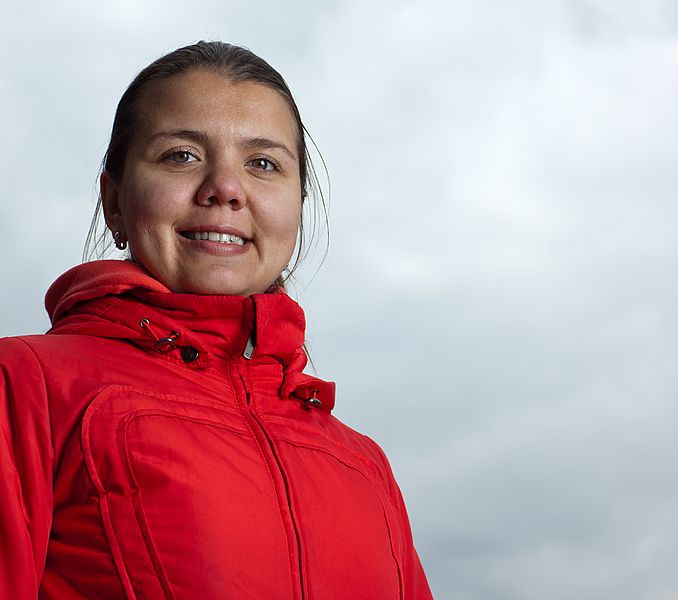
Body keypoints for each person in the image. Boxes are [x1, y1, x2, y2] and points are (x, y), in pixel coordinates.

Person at [0, 41, 433, 599]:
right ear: (114, 201)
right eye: (181, 155)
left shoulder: (363, 464)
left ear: (297, 207)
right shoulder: (24, 384)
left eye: (263, 164)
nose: (225, 189)